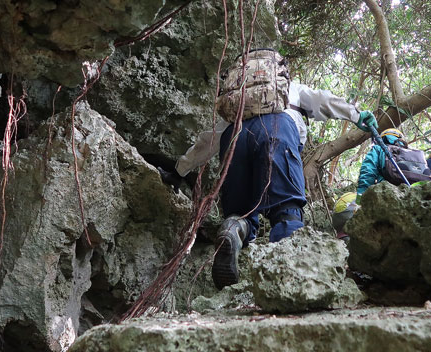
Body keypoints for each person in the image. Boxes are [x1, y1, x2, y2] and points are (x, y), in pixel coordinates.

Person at [173, 70, 376, 289]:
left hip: (234, 139)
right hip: (277, 133)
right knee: (286, 212)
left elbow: (209, 141)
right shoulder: (290, 88)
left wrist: (179, 170)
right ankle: (291, 283)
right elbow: (323, 100)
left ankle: (234, 228)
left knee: (241, 213)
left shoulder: (240, 103)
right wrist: (356, 115)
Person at [356, 127, 407, 196]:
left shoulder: (378, 149)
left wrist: (362, 193)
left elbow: (368, 170)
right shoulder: (410, 152)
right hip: (411, 192)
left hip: (387, 192)